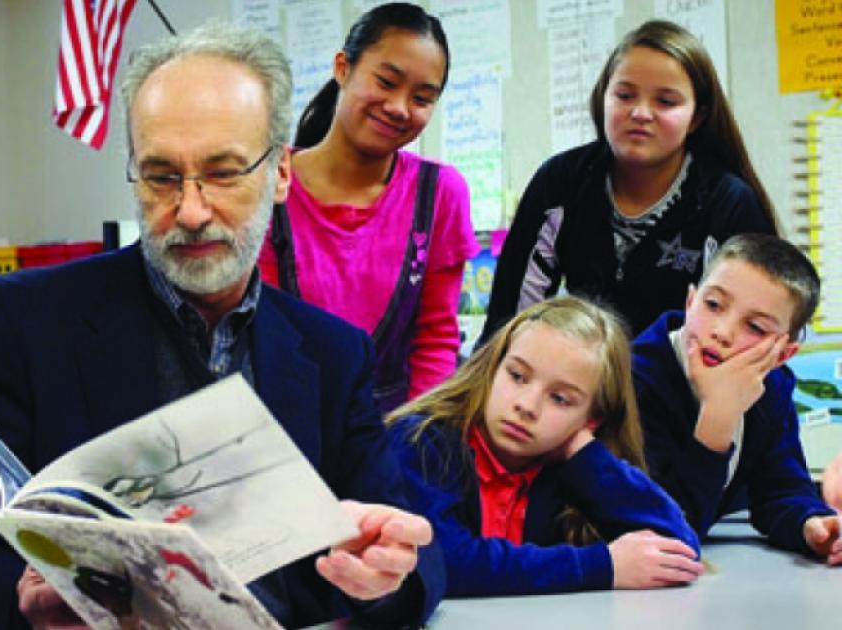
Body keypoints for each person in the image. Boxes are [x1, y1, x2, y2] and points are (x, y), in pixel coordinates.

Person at [0, 21, 444, 630]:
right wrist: (25, 599)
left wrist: (386, 575)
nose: (190, 209)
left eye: (224, 172)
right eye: (160, 176)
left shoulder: (333, 354)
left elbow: (410, 549)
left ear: (281, 173)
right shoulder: (16, 324)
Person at [481, 20, 777, 343]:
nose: (640, 113)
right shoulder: (560, 182)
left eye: (665, 101)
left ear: (697, 117)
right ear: (602, 97)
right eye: (624, 95)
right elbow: (508, 325)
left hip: (689, 387)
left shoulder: (729, 204)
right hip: (584, 384)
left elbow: (755, 339)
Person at [387, 296, 702, 596]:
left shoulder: (569, 464)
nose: (527, 405)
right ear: (493, 367)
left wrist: (588, 458)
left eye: (560, 399)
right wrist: (601, 566)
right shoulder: (423, 440)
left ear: (592, 420)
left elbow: (678, 549)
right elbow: (439, 561)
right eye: (517, 376)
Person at [259, 3, 478, 413]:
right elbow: (260, 334)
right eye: (386, 81)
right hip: (290, 424)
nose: (399, 107)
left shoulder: (441, 193)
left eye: (422, 98)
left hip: (394, 433)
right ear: (343, 67)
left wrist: (409, 444)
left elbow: (436, 342)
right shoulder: (270, 179)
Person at [633, 233, 842, 566]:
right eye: (713, 305)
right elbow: (663, 529)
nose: (723, 332)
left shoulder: (772, 386)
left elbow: (781, 488)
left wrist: (811, 525)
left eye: (756, 327)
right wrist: (718, 417)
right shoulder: (634, 381)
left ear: (782, 354)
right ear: (690, 302)